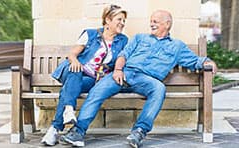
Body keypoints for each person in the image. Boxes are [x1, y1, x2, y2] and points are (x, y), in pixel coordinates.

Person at [61, 10, 217, 147]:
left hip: (147, 80)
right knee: (97, 91)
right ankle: (78, 132)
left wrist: (208, 62)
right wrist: (118, 69)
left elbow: (195, 61)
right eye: (151, 21)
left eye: (155, 22)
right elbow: (123, 55)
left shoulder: (177, 46)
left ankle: (139, 131)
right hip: (124, 73)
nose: (151, 24)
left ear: (167, 24)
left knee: (159, 89)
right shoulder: (139, 38)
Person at [41, 4, 128, 146]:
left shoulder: (123, 40)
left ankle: (55, 128)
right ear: (107, 20)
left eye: (124, 20)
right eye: (119, 19)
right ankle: (68, 110)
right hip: (74, 72)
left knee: (67, 90)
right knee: (75, 72)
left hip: (93, 80)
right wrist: (75, 61)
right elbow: (72, 54)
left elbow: (122, 59)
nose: (122, 23)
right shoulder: (90, 34)